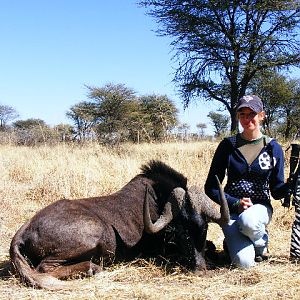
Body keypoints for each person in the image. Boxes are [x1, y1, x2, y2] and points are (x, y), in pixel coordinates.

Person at [204, 95, 288, 268]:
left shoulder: (273, 147)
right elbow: (211, 187)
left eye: (252, 114)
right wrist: (235, 204)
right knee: (244, 264)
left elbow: (277, 190)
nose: (247, 119)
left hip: (259, 209)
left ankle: (260, 242)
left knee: (249, 221)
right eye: (242, 114)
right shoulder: (228, 145)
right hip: (232, 212)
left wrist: (292, 186)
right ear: (237, 117)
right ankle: (237, 244)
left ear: (262, 115)